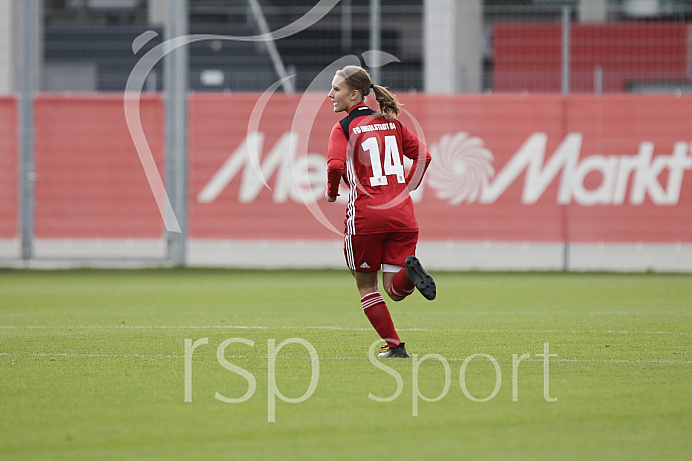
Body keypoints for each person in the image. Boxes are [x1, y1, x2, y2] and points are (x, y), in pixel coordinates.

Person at [325, 65, 436, 358]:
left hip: (366, 218)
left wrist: (332, 192)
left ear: (355, 94)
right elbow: (425, 156)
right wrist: (409, 187)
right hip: (402, 215)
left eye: (336, 89)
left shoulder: (344, 127)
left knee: (367, 286)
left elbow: (336, 166)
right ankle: (411, 274)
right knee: (395, 290)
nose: (330, 94)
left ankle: (396, 347)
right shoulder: (392, 123)